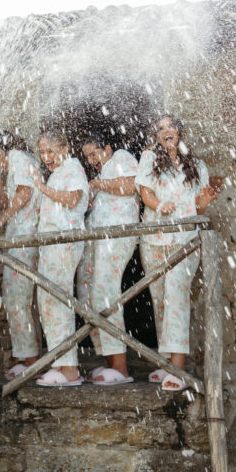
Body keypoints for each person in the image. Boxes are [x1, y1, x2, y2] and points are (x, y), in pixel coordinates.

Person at [135, 114, 221, 391]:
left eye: (170, 126)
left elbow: (197, 207)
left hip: (185, 240)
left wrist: (204, 201)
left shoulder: (197, 166)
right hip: (154, 241)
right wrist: (160, 205)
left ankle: (179, 370)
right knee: (160, 301)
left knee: (176, 296)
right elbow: (144, 192)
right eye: (160, 128)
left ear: (179, 131)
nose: (166, 131)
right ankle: (165, 364)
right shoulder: (149, 159)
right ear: (156, 136)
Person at [77, 129, 140, 385]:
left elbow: (131, 185)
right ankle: (109, 361)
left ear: (109, 149)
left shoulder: (121, 158)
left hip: (116, 239)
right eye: (87, 156)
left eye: (95, 152)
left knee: (105, 292)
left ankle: (121, 367)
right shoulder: (102, 174)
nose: (92, 159)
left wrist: (96, 184)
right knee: (87, 294)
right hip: (97, 241)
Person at [32, 127, 89, 387]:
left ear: (65, 149)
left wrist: (41, 187)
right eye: (42, 152)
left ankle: (69, 370)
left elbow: (72, 198)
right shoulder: (59, 173)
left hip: (63, 244)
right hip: (53, 245)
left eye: (51, 150)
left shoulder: (73, 168)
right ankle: (61, 364)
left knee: (57, 302)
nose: (46, 156)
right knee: (50, 302)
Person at [0, 131, 43, 380]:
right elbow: (12, 200)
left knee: (16, 297)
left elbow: (25, 194)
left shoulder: (17, 157)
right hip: (21, 237)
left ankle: (30, 360)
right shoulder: (19, 162)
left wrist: (1, 220)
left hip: (24, 238)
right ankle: (30, 357)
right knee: (21, 299)